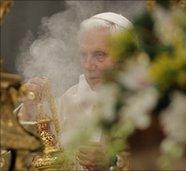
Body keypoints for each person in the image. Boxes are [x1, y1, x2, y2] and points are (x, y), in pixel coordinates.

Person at [18, 12, 132, 170]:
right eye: (84, 55)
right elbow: (26, 154)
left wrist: (113, 161)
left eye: (99, 55)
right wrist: (28, 110)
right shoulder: (69, 100)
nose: (88, 65)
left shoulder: (148, 102)